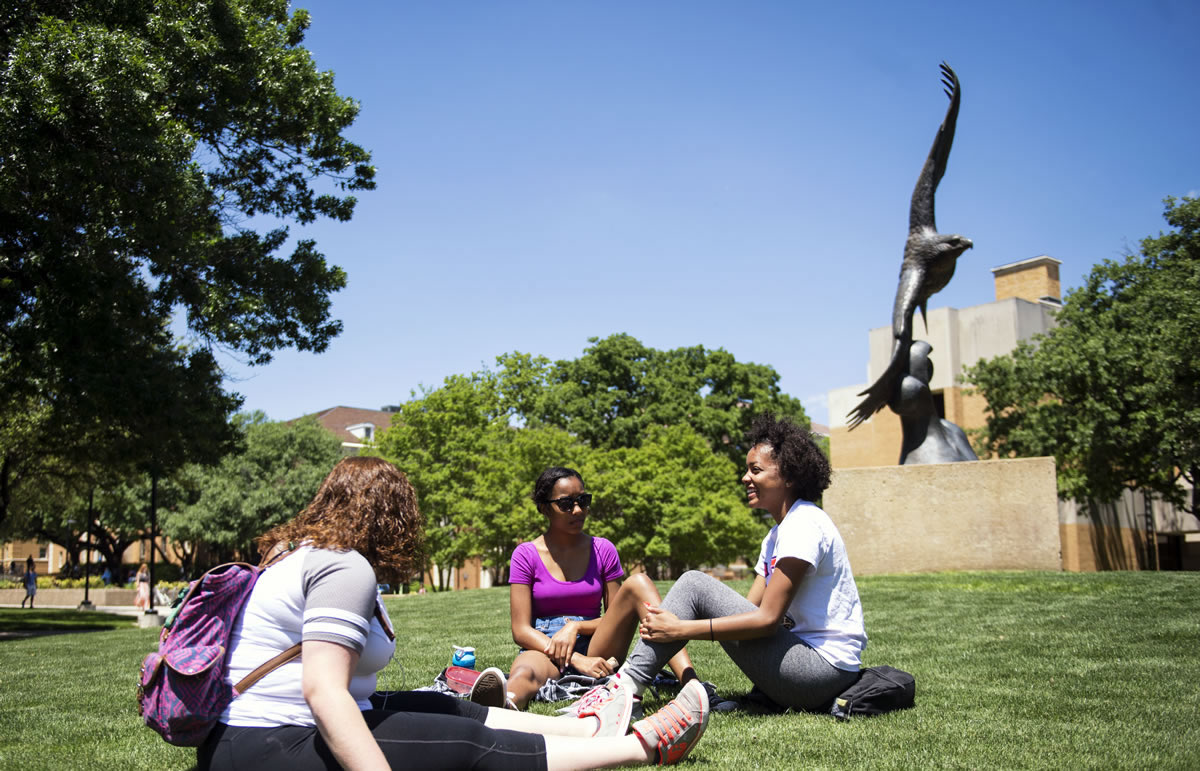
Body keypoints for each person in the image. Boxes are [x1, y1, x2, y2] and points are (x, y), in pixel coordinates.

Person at [199, 455, 710, 770]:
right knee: (463, 741)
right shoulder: (344, 567)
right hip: (269, 745)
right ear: (390, 516)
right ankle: (643, 747)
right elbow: (323, 691)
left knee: (449, 707)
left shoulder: (298, 551)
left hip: (243, 738)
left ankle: (585, 728)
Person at [569, 413, 866, 716]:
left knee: (694, 584)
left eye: (756, 470)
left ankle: (625, 690)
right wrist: (682, 622)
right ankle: (628, 687)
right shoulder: (777, 534)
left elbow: (766, 620)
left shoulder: (804, 523)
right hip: (800, 665)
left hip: (821, 672)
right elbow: (746, 612)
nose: (745, 478)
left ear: (789, 476)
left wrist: (681, 628)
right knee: (695, 587)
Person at [472, 467, 699, 711]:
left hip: (598, 642)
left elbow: (615, 617)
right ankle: (503, 706)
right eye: (566, 504)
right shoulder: (525, 555)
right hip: (546, 646)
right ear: (545, 508)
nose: (578, 510)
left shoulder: (603, 550)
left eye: (583, 501)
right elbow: (521, 630)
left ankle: (693, 686)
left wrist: (577, 626)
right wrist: (576, 659)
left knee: (639, 583)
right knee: (525, 671)